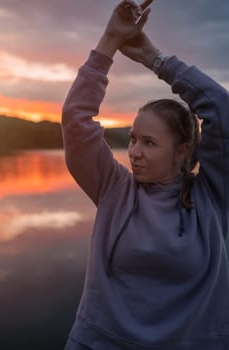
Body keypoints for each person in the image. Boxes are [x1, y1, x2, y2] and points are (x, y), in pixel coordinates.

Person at [62, 0, 229, 349]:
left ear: (182, 151)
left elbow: (220, 109)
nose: (134, 152)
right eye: (134, 139)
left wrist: (156, 59)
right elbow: (77, 122)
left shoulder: (211, 196)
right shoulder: (113, 188)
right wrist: (109, 40)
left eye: (149, 143)